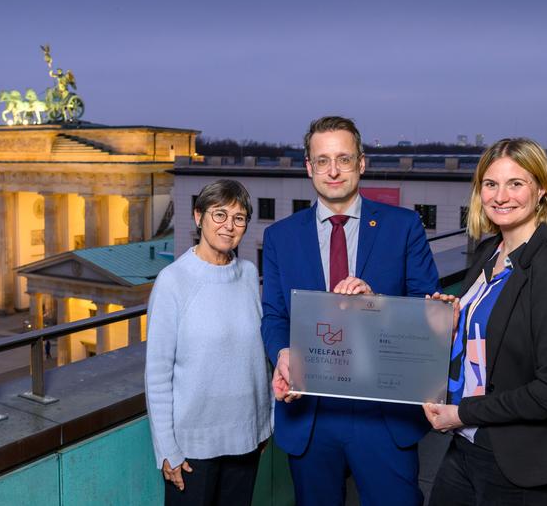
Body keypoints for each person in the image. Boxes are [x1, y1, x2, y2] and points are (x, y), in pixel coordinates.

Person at [261, 116, 439, 505]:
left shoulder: (404, 226)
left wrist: (376, 305)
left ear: (362, 162)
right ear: (309, 167)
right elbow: (274, 315)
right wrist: (282, 353)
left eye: (344, 158)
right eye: (322, 160)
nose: (333, 170)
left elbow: (430, 315)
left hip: (382, 413)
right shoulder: (280, 237)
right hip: (311, 412)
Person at [422, 138, 547, 505]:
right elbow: (487, 341)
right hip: (468, 445)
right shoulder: (488, 252)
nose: (500, 196)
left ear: (541, 189)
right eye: (491, 184)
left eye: (516, 183)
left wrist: (462, 413)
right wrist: (450, 324)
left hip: (519, 459)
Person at [146, 179, 272, 506]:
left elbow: (258, 357)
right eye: (219, 215)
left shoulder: (247, 274)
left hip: (247, 439)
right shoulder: (173, 281)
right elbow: (158, 374)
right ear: (198, 216)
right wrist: (167, 450)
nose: (229, 226)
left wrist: (265, 422)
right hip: (192, 449)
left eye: (239, 218)